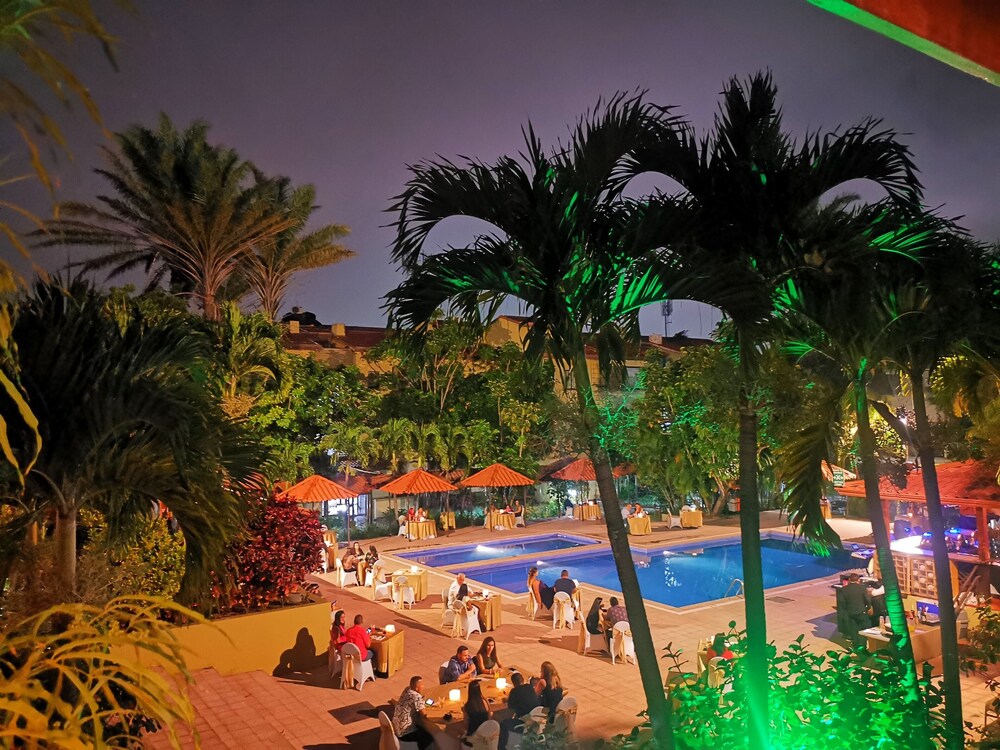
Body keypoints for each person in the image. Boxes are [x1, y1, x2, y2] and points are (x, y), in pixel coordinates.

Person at [393, 675, 435, 750]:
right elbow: (424, 715)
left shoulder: (407, 689)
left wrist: (420, 700)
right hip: (405, 733)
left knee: (421, 728)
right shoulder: (417, 697)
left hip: (397, 728)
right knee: (429, 738)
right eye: (422, 685)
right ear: (416, 688)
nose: (423, 686)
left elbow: (412, 701)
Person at [500, 671, 539, 749]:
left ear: (513, 683)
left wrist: (507, 699)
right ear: (523, 680)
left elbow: (510, 707)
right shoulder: (529, 687)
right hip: (536, 715)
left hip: (524, 720)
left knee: (504, 723)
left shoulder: (514, 691)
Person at [840, 573, 872, 644]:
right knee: (864, 629)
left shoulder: (843, 589)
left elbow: (842, 603)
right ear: (858, 580)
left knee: (854, 629)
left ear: (849, 579)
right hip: (861, 612)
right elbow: (867, 600)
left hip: (850, 612)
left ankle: (856, 644)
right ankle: (863, 644)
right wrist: (868, 608)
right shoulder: (862, 588)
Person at [328, 609, 348, 675]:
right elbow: (337, 641)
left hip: (344, 643)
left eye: (344, 617)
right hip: (341, 645)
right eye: (342, 617)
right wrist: (347, 643)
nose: (343, 619)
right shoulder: (336, 628)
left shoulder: (340, 625)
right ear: (338, 618)